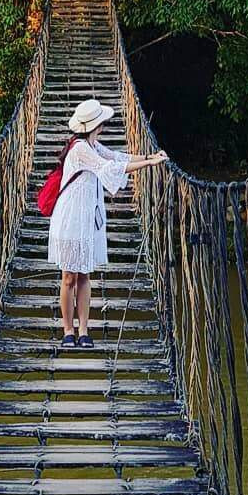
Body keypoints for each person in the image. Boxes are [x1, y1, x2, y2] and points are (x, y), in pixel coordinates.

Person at [47, 96, 168, 348]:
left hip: (87, 219)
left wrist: (149, 156)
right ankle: (68, 330)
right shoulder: (79, 149)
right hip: (70, 219)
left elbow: (117, 158)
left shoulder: (93, 145)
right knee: (69, 275)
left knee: (85, 275)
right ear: (97, 124)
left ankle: (83, 330)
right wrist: (149, 163)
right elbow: (109, 169)